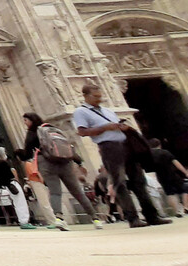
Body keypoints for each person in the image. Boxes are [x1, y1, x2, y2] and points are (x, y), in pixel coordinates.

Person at [73, 84, 171, 228]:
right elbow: (82, 132)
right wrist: (105, 128)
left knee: (139, 180)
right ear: (86, 96)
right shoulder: (81, 112)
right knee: (119, 182)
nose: (99, 99)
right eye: (95, 97)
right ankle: (132, 218)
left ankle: (152, 215)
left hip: (126, 144)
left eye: (100, 96)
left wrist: (122, 127)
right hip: (109, 147)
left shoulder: (107, 110)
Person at [18, 112, 102, 230]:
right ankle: (96, 219)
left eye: (25, 121)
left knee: (55, 192)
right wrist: (79, 162)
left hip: (46, 163)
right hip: (65, 162)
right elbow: (66, 145)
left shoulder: (32, 133)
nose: (25, 123)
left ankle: (59, 219)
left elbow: (26, 154)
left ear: (31, 121)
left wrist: (18, 153)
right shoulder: (52, 128)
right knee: (77, 191)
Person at [0, 147, 34, 229]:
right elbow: (8, 175)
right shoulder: (3, 163)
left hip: (9, 184)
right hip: (12, 183)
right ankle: (24, 221)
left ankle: (23, 220)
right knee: (20, 202)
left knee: (18, 202)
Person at [149, 139, 188, 216]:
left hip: (160, 176)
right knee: (185, 189)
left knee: (170, 193)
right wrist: (185, 172)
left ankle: (177, 211)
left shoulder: (149, 154)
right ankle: (186, 207)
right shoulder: (165, 152)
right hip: (172, 174)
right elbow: (176, 163)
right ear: (159, 144)